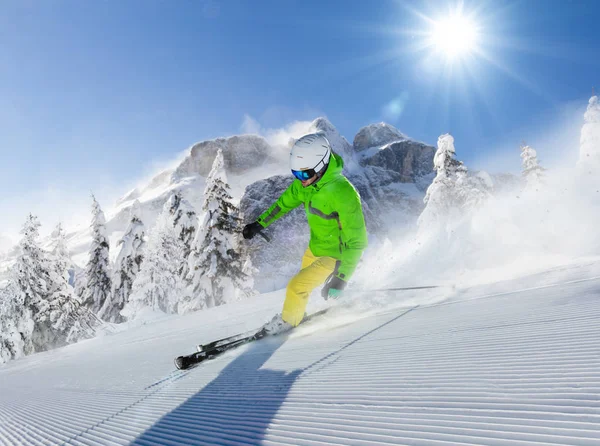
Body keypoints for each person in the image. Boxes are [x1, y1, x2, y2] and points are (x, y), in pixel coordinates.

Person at [242, 133, 368, 334]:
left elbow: (357, 241)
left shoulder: (344, 193)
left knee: (295, 287)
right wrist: (259, 223)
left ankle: (288, 322)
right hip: (314, 249)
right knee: (303, 285)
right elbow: (282, 204)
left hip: (336, 255)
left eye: (304, 174)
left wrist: (341, 278)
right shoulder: (306, 184)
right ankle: (296, 313)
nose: (300, 180)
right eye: (296, 174)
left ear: (321, 166)